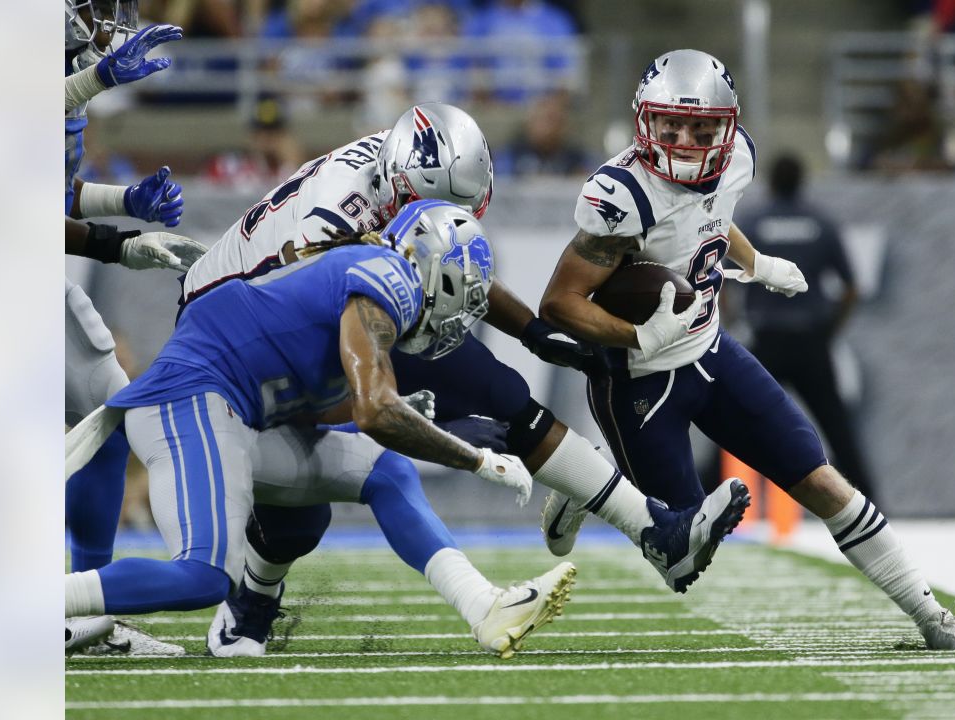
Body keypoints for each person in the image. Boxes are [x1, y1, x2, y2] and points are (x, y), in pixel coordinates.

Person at [177, 102, 749, 657]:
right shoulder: (330, 230)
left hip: (300, 306)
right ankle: (249, 601)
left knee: (500, 394)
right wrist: (443, 426)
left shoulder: (405, 171)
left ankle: (657, 531)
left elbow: (438, 253)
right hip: (229, 351)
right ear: (401, 197)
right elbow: (329, 386)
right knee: (305, 503)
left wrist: (532, 331)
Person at [538, 49, 955, 650]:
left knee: (819, 479)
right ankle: (589, 479)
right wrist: (637, 335)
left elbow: (709, 213)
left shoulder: (736, 159)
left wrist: (755, 262)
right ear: (643, 123)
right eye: (670, 127)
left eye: (702, 128)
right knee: (679, 559)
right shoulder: (623, 192)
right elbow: (559, 303)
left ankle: (932, 619)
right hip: (638, 375)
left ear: (727, 127)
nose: (684, 141)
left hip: (709, 349)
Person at [65, 200, 578, 660]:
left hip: (234, 416)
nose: (461, 318)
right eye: (463, 296)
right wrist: (476, 459)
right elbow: (373, 412)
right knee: (202, 575)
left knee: (384, 470)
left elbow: (322, 412)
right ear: (434, 270)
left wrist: (416, 422)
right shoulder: (390, 278)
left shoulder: (365, 291)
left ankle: (483, 605)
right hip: (190, 401)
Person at [64, 0, 202, 656]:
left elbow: (50, 191)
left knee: (106, 417)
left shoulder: (65, 77)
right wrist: (115, 245)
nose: (106, 12)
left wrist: (125, 209)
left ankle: (81, 613)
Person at [734, 154, 877, 502]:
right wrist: (830, 330)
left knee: (739, 421)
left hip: (767, 339)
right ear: (801, 182)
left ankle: (702, 499)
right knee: (836, 426)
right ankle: (867, 503)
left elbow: (726, 279)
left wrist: (733, 319)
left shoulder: (754, 222)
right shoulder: (820, 223)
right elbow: (851, 288)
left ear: (771, 182)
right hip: (811, 340)